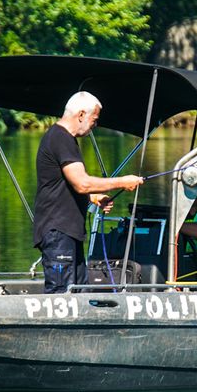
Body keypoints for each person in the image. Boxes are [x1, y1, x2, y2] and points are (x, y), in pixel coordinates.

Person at [33, 91, 144, 294]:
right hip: (58, 232)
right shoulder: (60, 138)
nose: (95, 125)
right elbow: (81, 183)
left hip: (68, 234)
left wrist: (92, 197)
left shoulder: (64, 139)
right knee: (62, 296)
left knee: (80, 295)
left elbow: (64, 183)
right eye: (95, 119)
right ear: (82, 114)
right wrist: (122, 182)